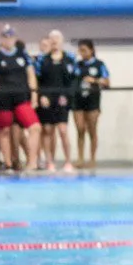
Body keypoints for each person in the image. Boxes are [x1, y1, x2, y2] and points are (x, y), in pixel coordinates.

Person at [0, 26, 40, 171]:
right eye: (5, 37)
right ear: (1, 39)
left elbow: (31, 76)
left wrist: (34, 95)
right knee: (4, 131)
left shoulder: (23, 55)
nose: (8, 40)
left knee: (35, 128)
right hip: (3, 99)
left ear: (15, 38)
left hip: (21, 97)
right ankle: (8, 162)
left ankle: (32, 162)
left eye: (11, 37)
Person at [33, 31, 77, 173]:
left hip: (63, 98)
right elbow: (37, 80)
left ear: (62, 41)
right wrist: (42, 96)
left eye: (57, 39)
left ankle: (68, 161)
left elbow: (74, 79)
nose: (54, 41)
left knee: (63, 130)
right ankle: (49, 161)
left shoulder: (70, 58)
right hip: (47, 98)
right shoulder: (42, 60)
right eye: (52, 39)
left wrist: (68, 95)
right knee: (47, 130)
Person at [70, 38, 108, 169]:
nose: (82, 53)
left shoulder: (99, 64)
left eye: (84, 50)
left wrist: (95, 80)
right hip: (78, 101)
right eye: (80, 50)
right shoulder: (77, 65)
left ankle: (92, 158)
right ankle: (80, 158)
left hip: (92, 101)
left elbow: (107, 82)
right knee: (80, 129)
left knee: (92, 130)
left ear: (91, 50)